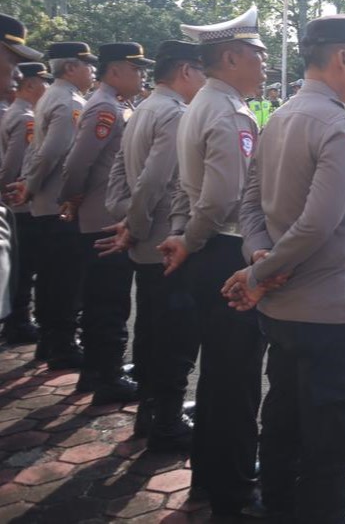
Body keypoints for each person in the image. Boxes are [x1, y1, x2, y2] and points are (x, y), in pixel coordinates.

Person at [227, 14, 345, 524]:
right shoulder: (342, 124)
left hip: (283, 307)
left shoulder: (279, 116)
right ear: (342, 57)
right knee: (331, 439)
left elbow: (250, 203)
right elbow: (319, 223)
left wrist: (259, 257)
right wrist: (259, 273)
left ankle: (276, 506)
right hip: (328, 309)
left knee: (284, 417)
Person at [162, 5, 268, 519]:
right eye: (258, 55)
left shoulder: (203, 102)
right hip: (225, 249)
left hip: (208, 250)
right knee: (236, 380)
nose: (265, 64)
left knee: (219, 375)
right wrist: (191, 239)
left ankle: (209, 475)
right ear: (231, 57)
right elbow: (224, 197)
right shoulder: (228, 111)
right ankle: (234, 491)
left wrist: (186, 237)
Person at [103, 40, 205, 451]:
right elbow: (154, 180)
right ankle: (167, 420)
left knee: (149, 329)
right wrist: (135, 225)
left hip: (146, 240)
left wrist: (125, 217)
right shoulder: (175, 114)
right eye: (203, 71)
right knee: (174, 337)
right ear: (186, 71)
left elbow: (119, 173)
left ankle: (151, 412)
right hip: (165, 242)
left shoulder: (145, 107)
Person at [59, 42, 154, 404]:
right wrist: (71, 198)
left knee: (105, 299)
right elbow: (78, 162)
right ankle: (106, 377)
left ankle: (97, 371)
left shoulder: (115, 105)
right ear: (114, 71)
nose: (142, 76)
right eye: (136, 69)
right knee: (108, 302)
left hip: (104, 215)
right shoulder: (105, 108)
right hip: (102, 219)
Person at [14, 41, 97, 369]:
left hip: (46, 202)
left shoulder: (52, 96)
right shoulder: (68, 101)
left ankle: (49, 342)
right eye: (87, 65)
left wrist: (30, 185)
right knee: (65, 280)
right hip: (59, 203)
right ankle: (62, 345)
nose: (92, 71)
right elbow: (53, 152)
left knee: (50, 277)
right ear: (71, 67)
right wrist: (31, 186)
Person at [0, 56, 50, 345]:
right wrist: (9, 190)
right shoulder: (25, 117)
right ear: (30, 85)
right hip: (19, 201)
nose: (46, 87)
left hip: (14, 200)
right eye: (43, 82)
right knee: (24, 266)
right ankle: (18, 322)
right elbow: (13, 164)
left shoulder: (13, 112)